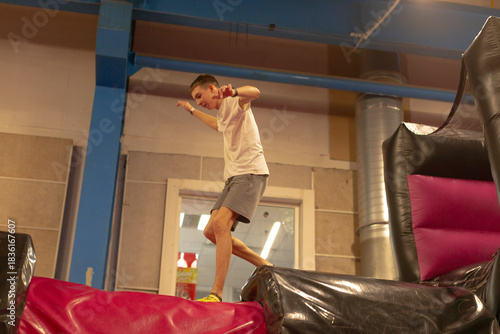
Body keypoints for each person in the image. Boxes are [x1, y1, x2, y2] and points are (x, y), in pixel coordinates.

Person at [176, 74, 272, 302]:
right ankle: (266, 265)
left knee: (221, 224)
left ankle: (216, 293)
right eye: (195, 99)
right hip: (233, 178)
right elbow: (217, 125)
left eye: (199, 96)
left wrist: (235, 92)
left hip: (250, 173)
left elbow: (255, 92)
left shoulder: (233, 102)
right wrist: (191, 110)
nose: (199, 101)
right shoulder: (222, 113)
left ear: (212, 88)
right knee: (211, 232)